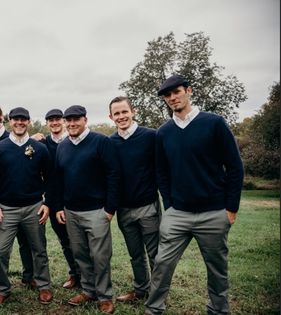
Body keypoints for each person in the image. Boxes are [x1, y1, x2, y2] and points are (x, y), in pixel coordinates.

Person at [144, 75, 244, 315]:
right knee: (162, 264)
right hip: (178, 214)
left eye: (176, 92)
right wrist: (169, 205)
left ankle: (218, 310)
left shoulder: (214, 123)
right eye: (167, 96)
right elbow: (161, 172)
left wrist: (231, 208)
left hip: (214, 213)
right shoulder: (163, 132)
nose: (172, 98)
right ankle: (154, 309)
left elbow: (235, 166)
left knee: (217, 269)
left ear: (189, 91)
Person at [55, 105, 120, 314]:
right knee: (80, 254)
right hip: (71, 211)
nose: (72, 124)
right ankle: (89, 290)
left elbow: (113, 175)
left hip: (97, 211)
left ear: (85, 120)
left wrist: (109, 209)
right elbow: (58, 179)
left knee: (100, 256)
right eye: (69, 120)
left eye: (76, 120)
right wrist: (58, 207)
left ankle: (105, 296)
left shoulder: (101, 142)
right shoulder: (62, 146)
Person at [0, 107, 53, 306]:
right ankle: (3, 289)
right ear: (10, 121)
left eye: (23, 119)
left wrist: (47, 203)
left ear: (29, 122)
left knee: (38, 248)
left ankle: (43, 285)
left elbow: (50, 179)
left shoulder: (39, 148)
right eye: (16, 119)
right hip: (6, 209)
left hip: (34, 207)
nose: (20, 123)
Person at [108, 96, 160, 303]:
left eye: (124, 112)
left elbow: (162, 169)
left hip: (148, 206)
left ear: (133, 111)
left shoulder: (150, 136)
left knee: (156, 255)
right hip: (124, 209)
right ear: (110, 117)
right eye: (116, 113)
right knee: (135, 254)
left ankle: (158, 294)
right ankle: (141, 290)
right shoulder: (110, 142)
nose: (121, 117)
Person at [0, 100, 35, 289]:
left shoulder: (13, 136)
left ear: (3, 116)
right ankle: (0, 280)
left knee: (26, 241)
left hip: (21, 199)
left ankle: (30, 275)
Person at [35, 108, 80, 289]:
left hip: (74, 197)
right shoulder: (43, 143)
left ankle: (88, 275)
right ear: (47, 123)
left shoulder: (73, 140)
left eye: (57, 119)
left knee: (80, 241)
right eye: (50, 120)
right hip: (53, 199)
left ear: (63, 121)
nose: (54, 123)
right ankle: (75, 274)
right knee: (65, 241)